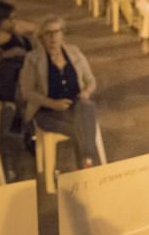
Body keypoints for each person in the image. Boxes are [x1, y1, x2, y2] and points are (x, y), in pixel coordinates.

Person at [19, 16, 102, 168]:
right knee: (82, 128)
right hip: (47, 112)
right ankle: (88, 165)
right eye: (48, 33)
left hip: (75, 107)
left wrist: (86, 92)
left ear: (62, 33)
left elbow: (91, 81)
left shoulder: (74, 52)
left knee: (87, 106)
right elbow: (27, 92)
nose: (53, 37)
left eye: (56, 31)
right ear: (41, 37)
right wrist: (52, 103)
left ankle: (86, 161)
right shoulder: (32, 59)